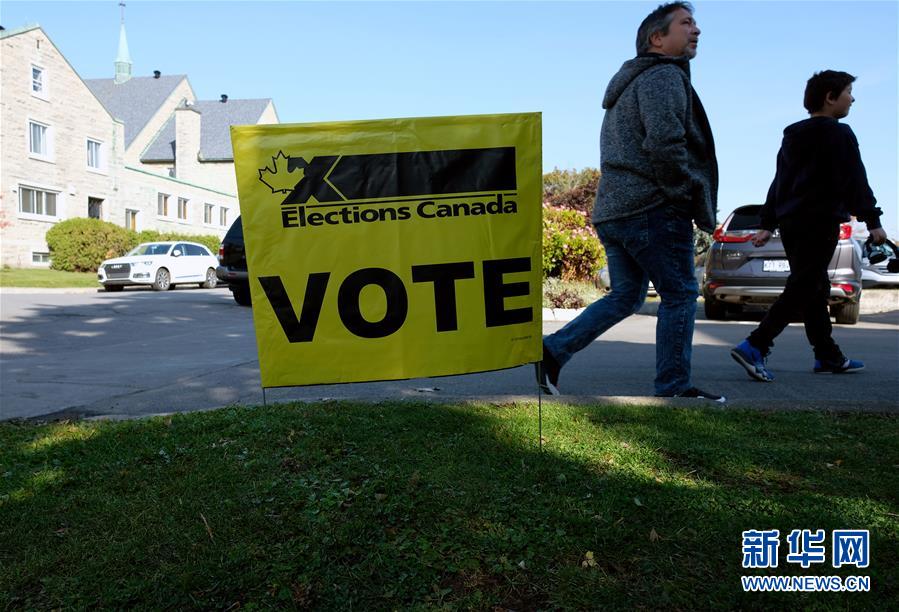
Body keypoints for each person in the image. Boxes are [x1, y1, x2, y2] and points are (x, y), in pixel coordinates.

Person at [536, 2, 724, 401]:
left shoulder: (628, 85)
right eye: (686, 23)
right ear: (657, 38)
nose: (697, 31)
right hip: (650, 208)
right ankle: (674, 388)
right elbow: (665, 143)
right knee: (679, 294)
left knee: (626, 296)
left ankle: (551, 352)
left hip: (615, 209)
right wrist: (681, 193)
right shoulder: (662, 78)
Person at [731, 71, 885, 381]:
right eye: (848, 92)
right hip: (819, 219)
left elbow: (780, 182)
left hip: (792, 222)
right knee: (804, 285)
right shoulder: (840, 134)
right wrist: (873, 221)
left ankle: (827, 355)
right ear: (830, 97)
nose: (852, 98)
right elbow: (856, 179)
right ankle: (755, 345)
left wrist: (767, 222)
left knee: (815, 285)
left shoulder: (792, 136)